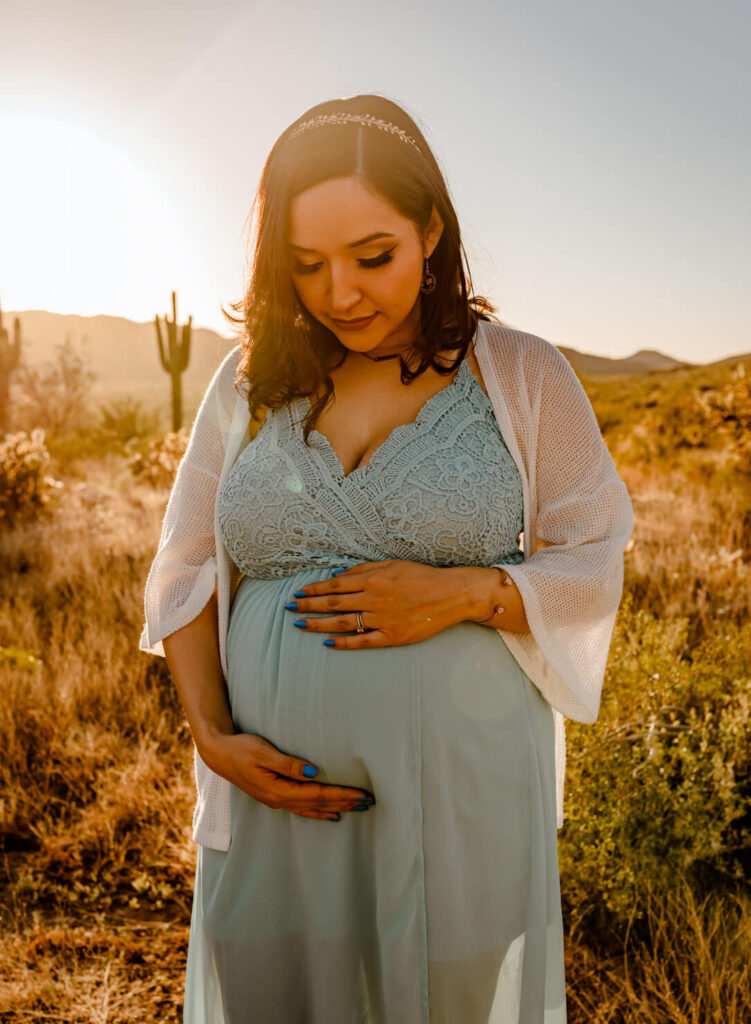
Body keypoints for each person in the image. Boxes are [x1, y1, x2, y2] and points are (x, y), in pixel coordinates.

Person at [139, 94, 634, 1023]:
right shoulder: (247, 384)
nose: (340, 294)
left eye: (372, 257)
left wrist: (465, 594)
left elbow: (593, 555)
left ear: (430, 231)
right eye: (307, 264)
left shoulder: (522, 374)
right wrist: (210, 736)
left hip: (462, 792)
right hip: (272, 800)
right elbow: (186, 566)